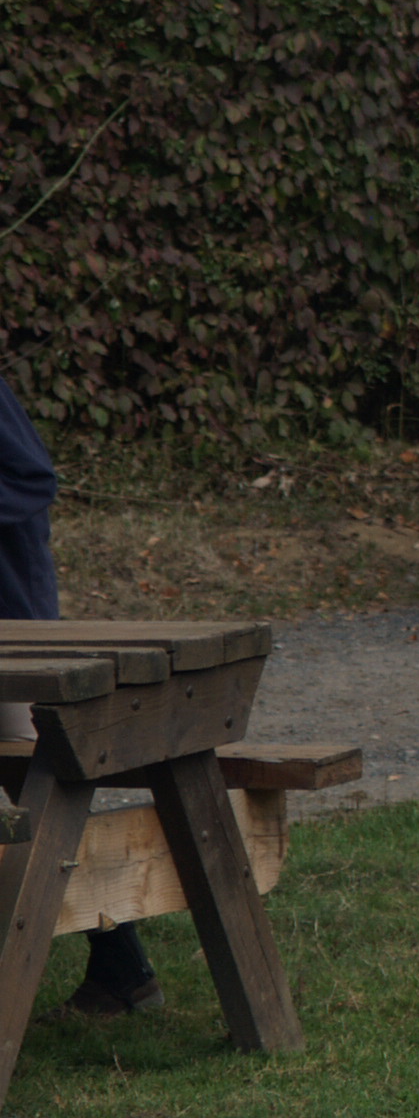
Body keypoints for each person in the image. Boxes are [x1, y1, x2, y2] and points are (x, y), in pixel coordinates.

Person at [0, 374, 161, 1018]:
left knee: (37, 788)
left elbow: (32, 477)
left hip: (14, 633)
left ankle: (122, 965)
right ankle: (123, 968)